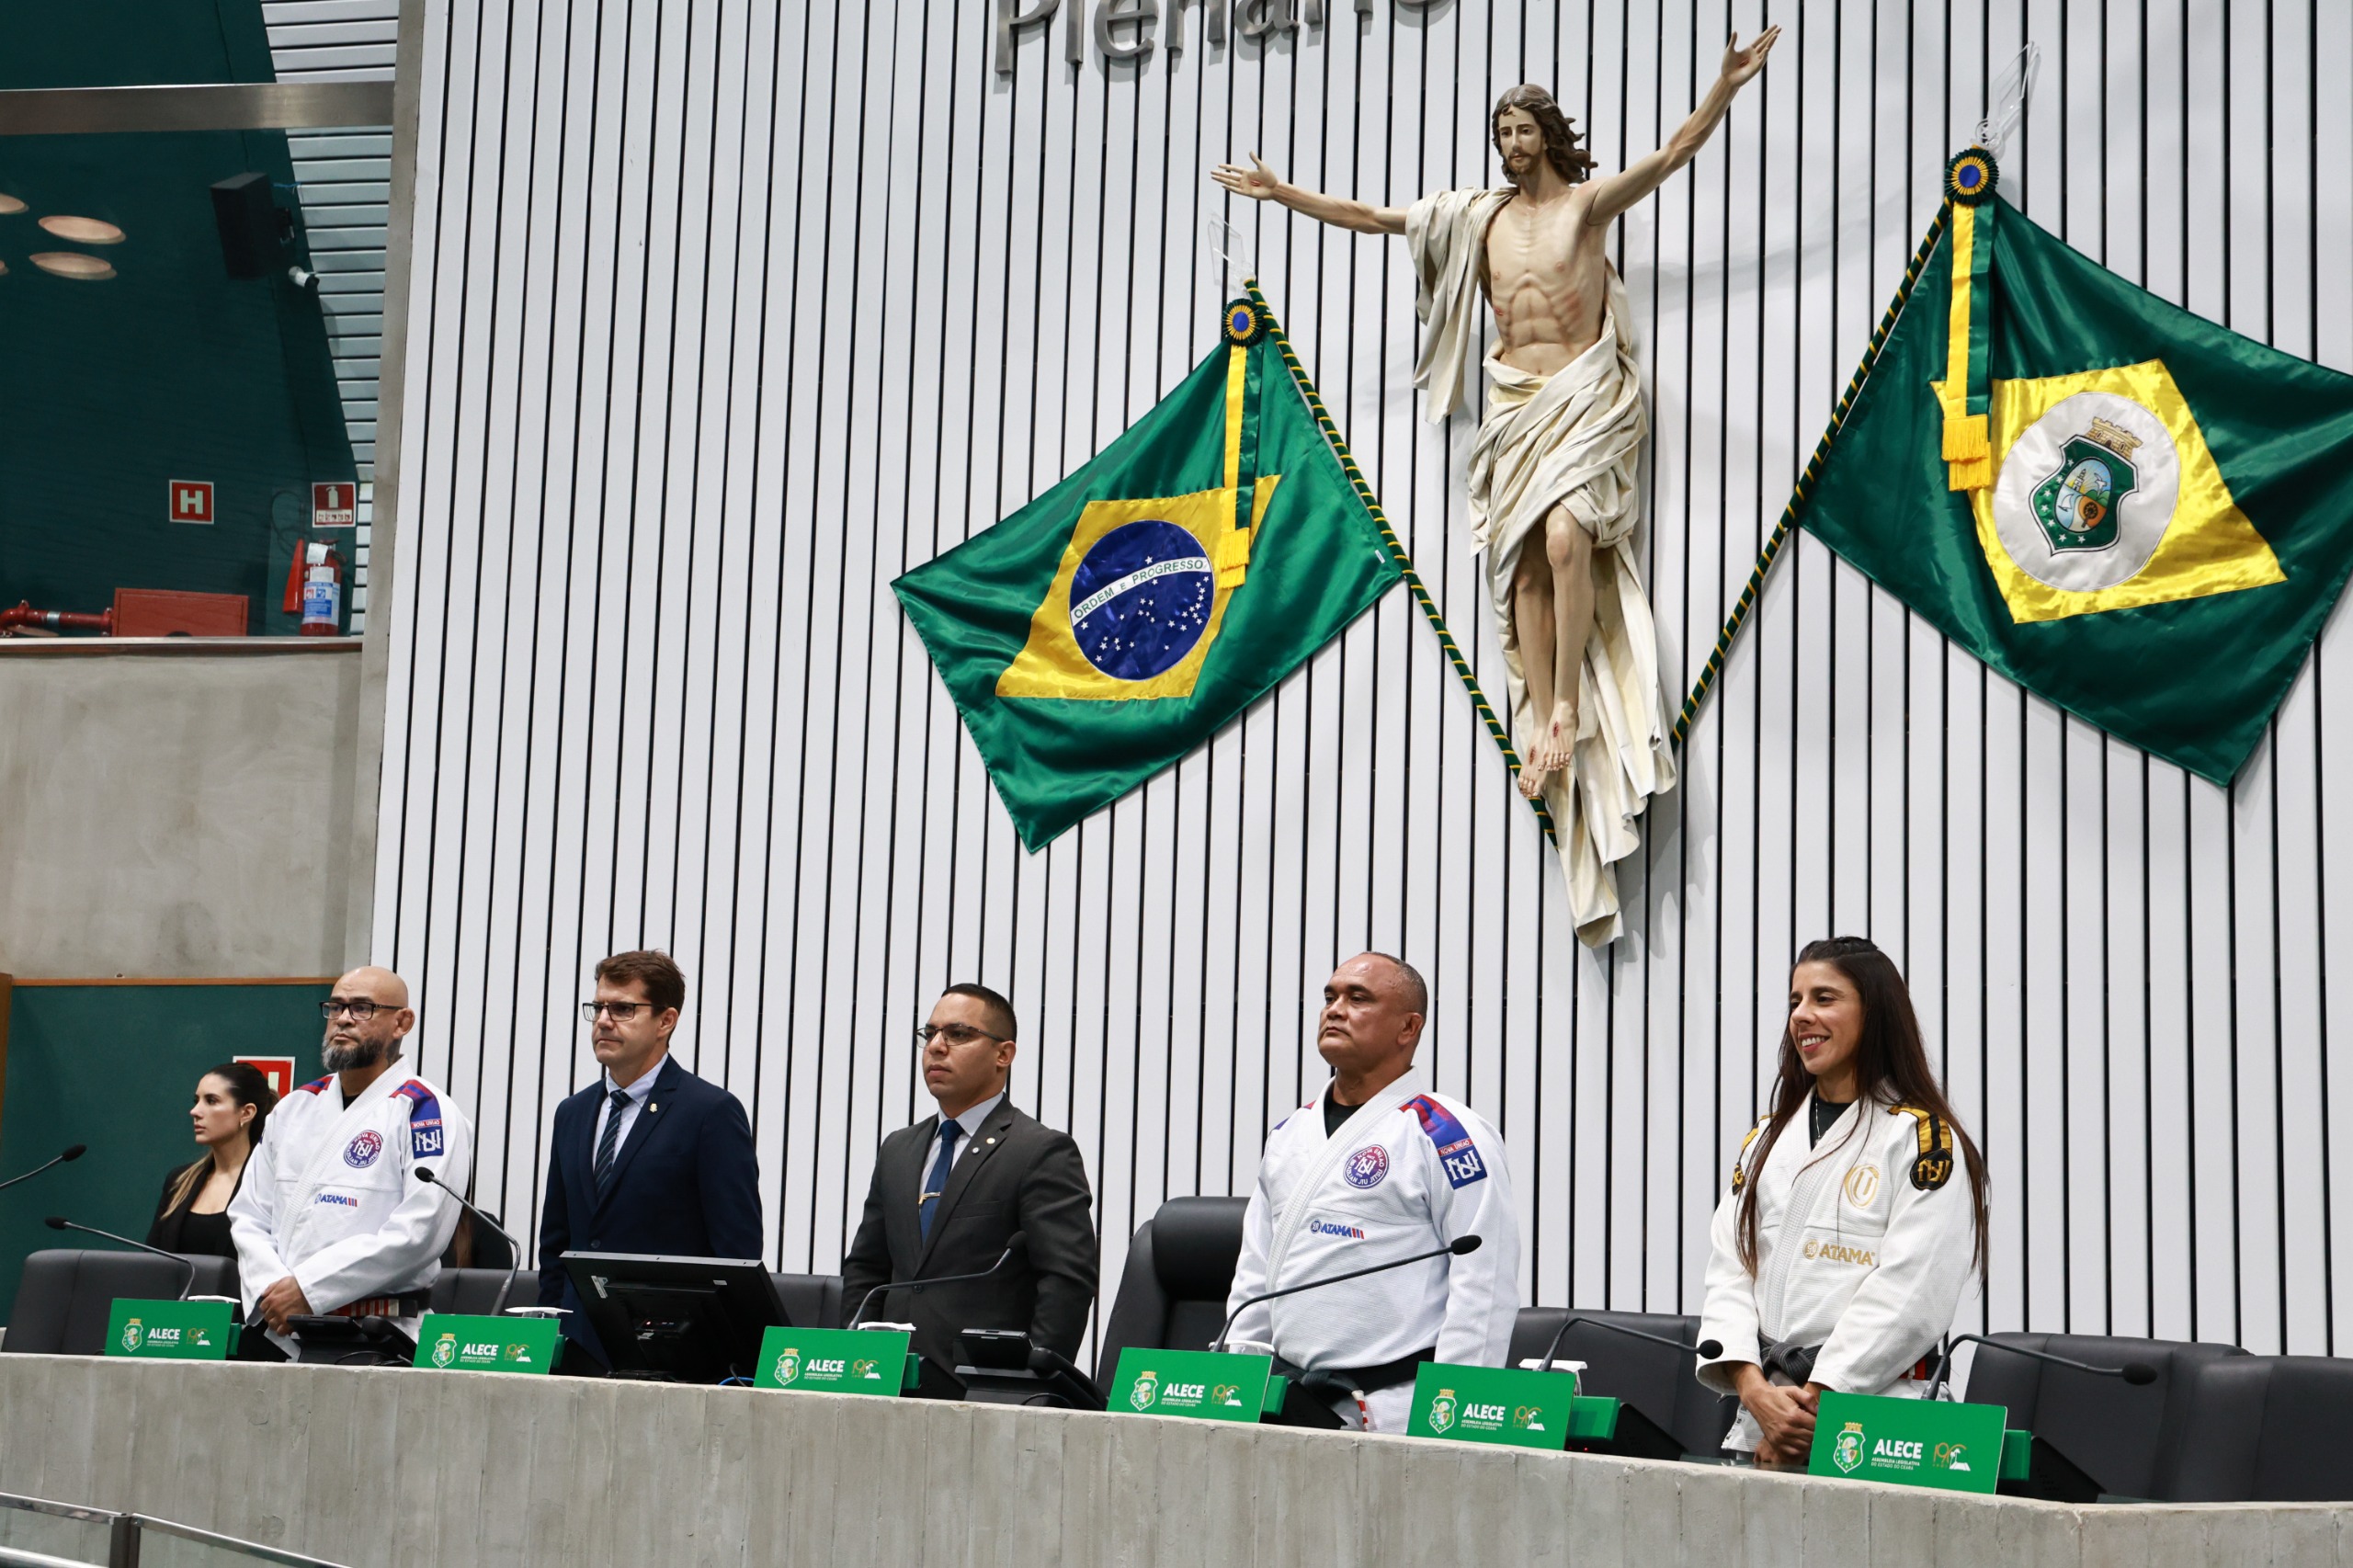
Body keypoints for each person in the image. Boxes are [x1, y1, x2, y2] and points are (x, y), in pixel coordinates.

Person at [1211, 38, 1779, 947]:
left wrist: (1721, 85)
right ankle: (1545, 708)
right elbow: (1371, 218)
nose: (1510, 144)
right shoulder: (1472, 218)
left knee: (1567, 544)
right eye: (1501, 130)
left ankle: (1561, 709)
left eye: (1523, 129)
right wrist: (1285, 195)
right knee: (1520, 577)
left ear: (1549, 134)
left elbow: (1673, 154)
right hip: (1512, 403)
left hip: (1581, 396)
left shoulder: (1587, 207)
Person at [1696, 936, 1989, 1463]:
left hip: (1877, 1422)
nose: (1802, 1016)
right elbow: (1730, 1270)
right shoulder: (1766, 1141)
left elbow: (1910, 1294)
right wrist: (1756, 1393)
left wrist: (1810, 1411)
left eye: (1824, 999)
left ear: (1874, 1014)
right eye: (1795, 1001)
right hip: (1766, 1417)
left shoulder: (1921, 1139)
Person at [1223, 953, 1521, 1433]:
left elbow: (1483, 1284)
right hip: (1285, 1402)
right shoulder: (1289, 1133)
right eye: (1330, 997)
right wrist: (1236, 1379)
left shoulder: (1446, 1133)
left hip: (1395, 1407)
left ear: (1408, 1027)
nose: (1334, 1009)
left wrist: (1454, 1408)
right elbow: (1256, 1272)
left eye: (1358, 998)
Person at [839, 983, 1096, 1383]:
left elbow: (1066, 1281)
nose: (937, 1046)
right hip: (886, 1380)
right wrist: (855, 1358)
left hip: (981, 1387)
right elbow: (866, 1269)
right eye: (930, 1034)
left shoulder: (1039, 1151)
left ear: (1003, 1054)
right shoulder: (899, 1149)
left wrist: (1028, 1384)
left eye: (958, 1034)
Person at [227, 966, 475, 1355]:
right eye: (336, 1007)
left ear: (402, 1022)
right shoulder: (294, 1108)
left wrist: (309, 1289)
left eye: (362, 1008)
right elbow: (249, 1215)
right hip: (282, 1327)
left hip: (380, 1332)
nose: (343, 1018)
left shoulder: (427, 1111)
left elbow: (418, 1233)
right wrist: (275, 1290)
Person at [536, 949, 763, 1369]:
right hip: (577, 1347)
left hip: (673, 1353)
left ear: (665, 1021)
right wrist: (548, 1333)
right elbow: (556, 1243)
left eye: (623, 1008)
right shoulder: (573, 1113)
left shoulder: (709, 1113)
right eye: (598, 1007)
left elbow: (736, 1253)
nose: (604, 1020)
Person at [148, 1062, 278, 1258]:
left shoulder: (269, 1184)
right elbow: (151, 1261)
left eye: (211, 1101)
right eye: (196, 1100)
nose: (195, 1111)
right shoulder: (179, 1181)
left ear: (246, 1113)